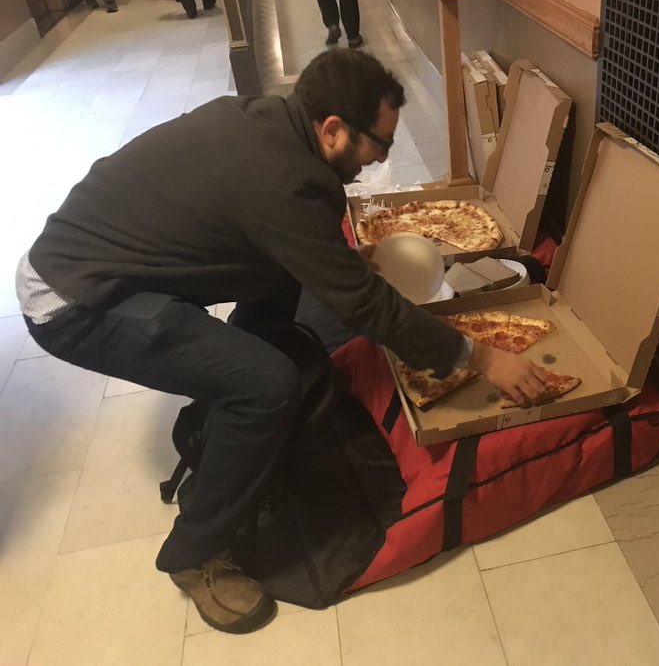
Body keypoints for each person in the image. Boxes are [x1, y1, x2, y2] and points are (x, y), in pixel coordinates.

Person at [15, 48, 547, 635]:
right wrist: (480, 356)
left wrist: (331, 259)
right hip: (74, 300)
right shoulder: (286, 182)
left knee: (276, 299)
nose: (381, 159)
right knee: (268, 385)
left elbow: (277, 230)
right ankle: (194, 556)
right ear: (333, 129)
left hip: (94, 258)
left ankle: (234, 404)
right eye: (379, 144)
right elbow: (362, 302)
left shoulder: (274, 125)